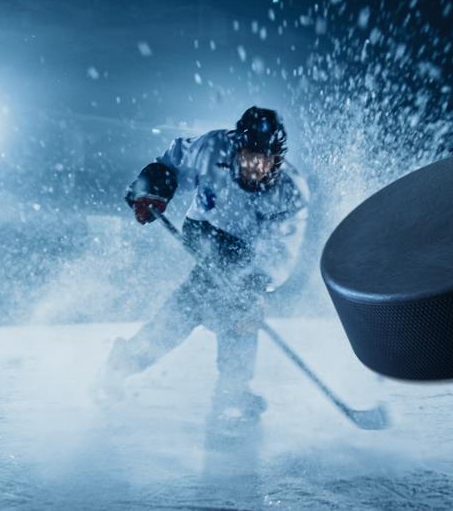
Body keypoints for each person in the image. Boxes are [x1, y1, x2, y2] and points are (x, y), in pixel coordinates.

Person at [96, 106, 309, 420]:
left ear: (276, 158)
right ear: (237, 147)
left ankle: (124, 362)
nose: (253, 166)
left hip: (248, 253)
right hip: (203, 231)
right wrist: (153, 185)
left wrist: (256, 287)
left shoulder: (290, 192)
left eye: (262, 159)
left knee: (236, 308)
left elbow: (281, 250)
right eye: (248, 155)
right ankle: (233, 393)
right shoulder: (213, 149)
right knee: (214, 302)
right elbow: (173, 161)